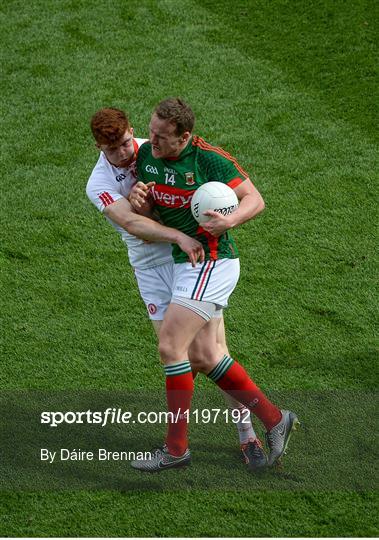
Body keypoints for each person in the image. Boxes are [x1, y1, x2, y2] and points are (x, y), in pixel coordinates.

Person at [86, 107, 267, 471]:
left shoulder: (152, 149)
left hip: (187, 261)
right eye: (112, 150)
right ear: (98, 148)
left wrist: (198, 222)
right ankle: (187, 443)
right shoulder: (98, 184)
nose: (124, 154)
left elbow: (189, 192)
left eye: (125, 143)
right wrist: (165, 224)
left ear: (131, 132)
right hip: (150, 269)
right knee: (181, 354)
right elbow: (133, 224)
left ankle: (247, 432)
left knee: (212, 349)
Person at [129, 98, 299, 472]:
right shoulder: (147, 157)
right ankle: (274, 419)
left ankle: (176, 450)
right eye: (151, 132)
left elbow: (256, 199)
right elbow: (151, 212)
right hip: (185, 263)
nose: (152, 141)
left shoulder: (210, 159)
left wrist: (231, 220)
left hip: (212, 261)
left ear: (184, 136)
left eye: (161, 136)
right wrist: (139, 201)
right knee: (204, 357)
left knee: (171, 346)